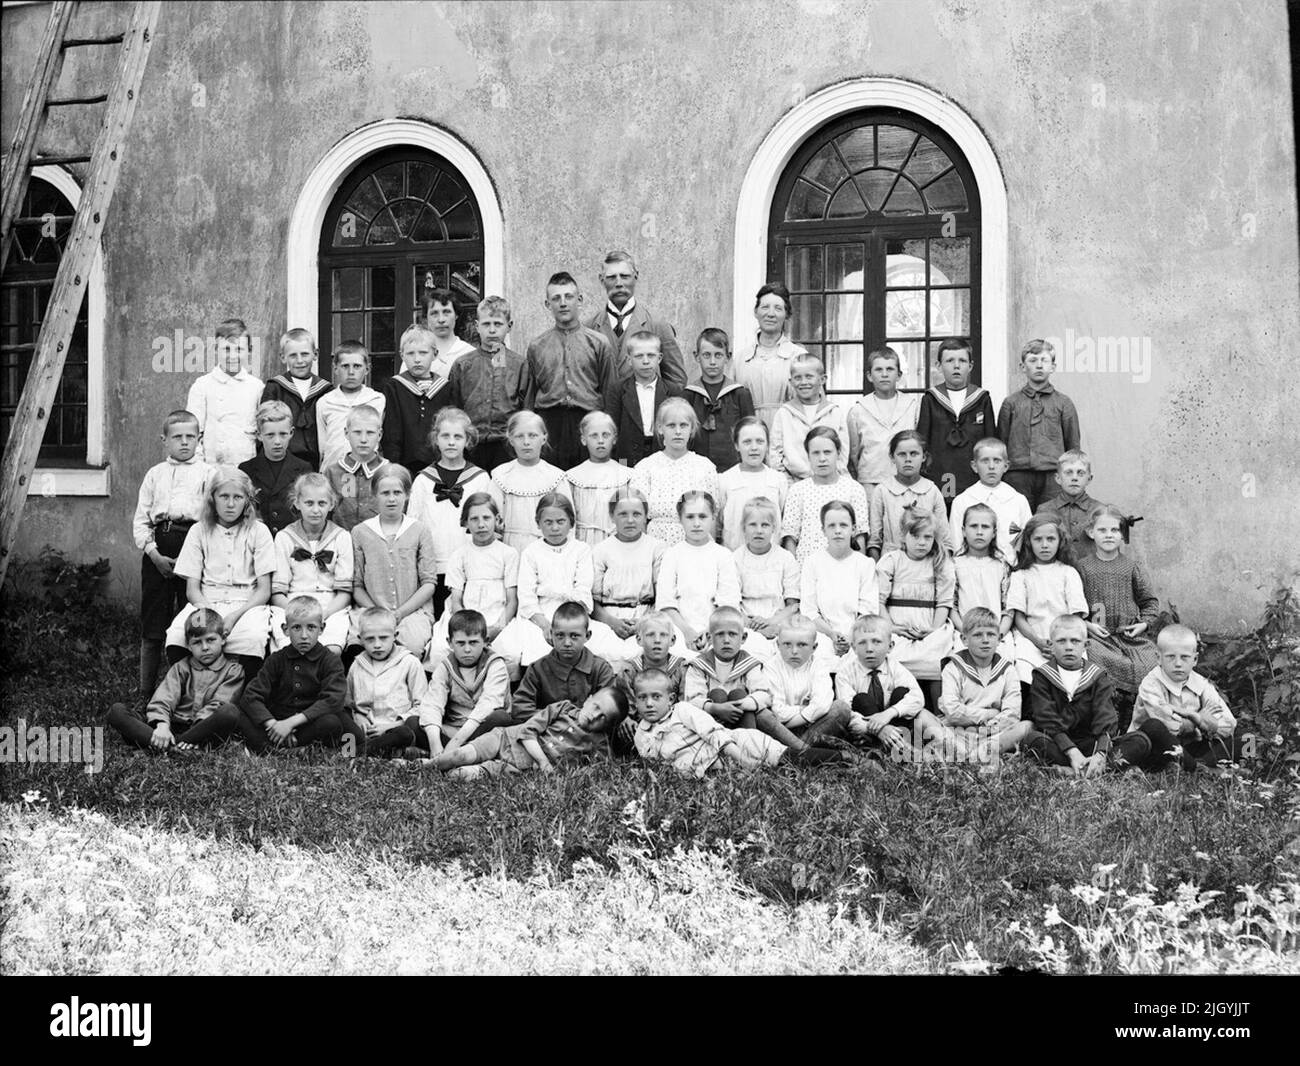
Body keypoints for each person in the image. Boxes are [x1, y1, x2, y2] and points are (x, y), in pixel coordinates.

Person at [164, 466, 276, 679]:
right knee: (178, 634)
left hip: (247, 604)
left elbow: (263, 590)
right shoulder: (199, 530)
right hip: (206, 602)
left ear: (247, 500)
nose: (231, 504)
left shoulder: (259, 531)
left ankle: (242, 698)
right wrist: (209, 614)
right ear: (212, 499)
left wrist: (235, 616)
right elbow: (192, 589)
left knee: (252, 637)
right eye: (224, 496)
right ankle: (185, 692)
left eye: (238, 497)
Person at [133, 410, 214, 697]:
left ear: (199, 439)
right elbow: (141, 521)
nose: (184, 443)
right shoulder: (155, 474)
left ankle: (183, 692)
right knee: (154, 623)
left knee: (189, 623)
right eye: (177, 437)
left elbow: (210, 519)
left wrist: (192, 558)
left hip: (193, 548)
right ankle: (145, 693)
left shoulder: (208, 474)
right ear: (164, 440)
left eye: (190, 437)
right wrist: (154, 554)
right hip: (159, 550)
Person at [631, 668, 844, 777]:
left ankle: (846, 759)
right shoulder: (642, 735)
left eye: (656, 697)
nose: (649, 703)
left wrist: (742, 760)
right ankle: (834, 767)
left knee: (790, 759)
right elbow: (659, 766)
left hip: (739, 745)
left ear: (670, 699)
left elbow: (714, 733)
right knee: (782, 775)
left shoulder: (682, 710)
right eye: (643, 698)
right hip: (712, 768)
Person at [107, 608, 248, 752]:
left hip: (203, 728)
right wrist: (162, 725)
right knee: (116, 712)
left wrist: (196, 733)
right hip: (171, 726)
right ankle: (175, 745)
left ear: (223, 639)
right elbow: (164, 697)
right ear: (188, 645)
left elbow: (219, 703)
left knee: (229, 712)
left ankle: (167, 745)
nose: (205, 647)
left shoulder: (233, 671)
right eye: (197, 642)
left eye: (211, 640)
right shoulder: (181, 667)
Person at [1021, 615, 1148, 774]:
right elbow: (1047, 720)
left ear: (1086, 645)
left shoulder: (1097, 676)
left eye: (1075, 641)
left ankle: (1081, 770)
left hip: (1092, 744)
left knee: (1141, 740)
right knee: (1033, 739)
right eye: (1061, 641)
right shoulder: (1043, 676)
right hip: (1060, 744)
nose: (1069, 647)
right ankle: (1103, 770)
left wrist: (1100, 753)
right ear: (1051, 645)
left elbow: (1106, 719)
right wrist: (1072, 752)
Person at [511, 493, 624, 666]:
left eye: (560, 521)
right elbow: (527, 597)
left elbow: (583, 589)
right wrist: (545, 626)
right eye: (548, 522)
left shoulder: (581, 550)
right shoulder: (531, 552)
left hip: (574, 614)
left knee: (601, 645)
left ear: (571, 522)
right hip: (540, 617)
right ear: (538, 524)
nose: (554, 528)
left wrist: (567, 625)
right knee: (535, 647)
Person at [525, 271, 616, 470]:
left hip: (588, 421)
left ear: (579, 299)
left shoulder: (598, 343)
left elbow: (609, 390)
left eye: (569, 296)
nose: (563, 303)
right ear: (548, 304)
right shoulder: (537, 346)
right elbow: (530, 394)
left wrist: (608, 430)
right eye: (556, 298)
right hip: (550, 423)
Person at [435, 685, 629, 779]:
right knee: (460, 755)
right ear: (588, 699)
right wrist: (544, 761)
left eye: (603, 717)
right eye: (595, 706)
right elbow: (527, 731)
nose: (594, 716)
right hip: (505, 740)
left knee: (461, 775)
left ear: (609, 726)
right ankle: (422, 765)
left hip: (521, 769)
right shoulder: (563, 708)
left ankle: (449, 772)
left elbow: (601, 771)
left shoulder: (599, 742)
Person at [237, 596, 351, 753]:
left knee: (333, 723)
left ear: (322, 629)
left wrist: (291, 723)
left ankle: (275, 750)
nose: (304, 635)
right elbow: (251, 695)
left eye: (311, 627)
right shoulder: (276, 659)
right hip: (276, 726)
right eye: (297, 628)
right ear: (285, 629)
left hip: (308, 724)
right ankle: (279, 749)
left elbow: (332, 700)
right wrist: (273, 725)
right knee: (236, 712)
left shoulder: (330, 660)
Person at [1076, 504, 1160, 716]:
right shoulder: (1083, 567)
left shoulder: (1131, 567)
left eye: (1114, 530)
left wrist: (1143, 624)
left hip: (1129, 637)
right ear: (1091, 532)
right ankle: (1109, 710)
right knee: (1094, 656)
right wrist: (1087, 626)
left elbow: (1149, 602)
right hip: (1098, 636)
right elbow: (1072, 607)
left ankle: (1137, 710)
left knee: (1150, 660)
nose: (1109, 535)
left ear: (1122, 534)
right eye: (1102, 530)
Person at [427, 492, 525, 674]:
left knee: (510, 653)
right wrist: (466, 628)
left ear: (496, 519)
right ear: (465, 522)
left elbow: (512, 600)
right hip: (465, 615)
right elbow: (456, 600)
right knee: (441, 650)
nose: (481, 525)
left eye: (486, 518)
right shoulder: (459, 555)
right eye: (474, 519)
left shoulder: (508, 554)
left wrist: (498, 627)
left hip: (498, 615)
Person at [408, 407, 491, 618]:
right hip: (433, 565)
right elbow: (412, 524)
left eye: (458, 436)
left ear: (468, 440)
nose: (451, 442)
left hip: (470, 565)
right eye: (445, 436)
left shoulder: (480, 478)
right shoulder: (424, 480)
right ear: (436, 439)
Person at [349, 463, 438, 660]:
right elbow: (357, 584)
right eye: (385, 493)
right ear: (374, 495)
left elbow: (429, 583)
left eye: (397, 492)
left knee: (411, 646)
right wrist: (378, 612)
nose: (391, 499)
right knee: (362, 644)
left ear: (406, 494)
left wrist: (399, 613)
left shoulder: (419, 530)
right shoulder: (361, 532)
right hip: (371, 608)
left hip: (412, 612)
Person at [1127, 624, 1242, 771]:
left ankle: (1200, 766)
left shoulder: (1201, 684)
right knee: (1154, 727)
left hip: (1190, 747)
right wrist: (1200, 721)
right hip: (1158, 749)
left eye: (1185, 657)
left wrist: (1195, 716)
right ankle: (1197, 769)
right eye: (1170, 657)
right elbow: (1169, 727)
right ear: (1158, 658)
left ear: (1195, 659)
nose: (1178, 664)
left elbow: (1228, 724)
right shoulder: (1151, 683)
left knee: (1247, 738)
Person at [925, 608, 1030, 763]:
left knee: (1027, 726)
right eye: (978, 635)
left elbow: (1012, 715)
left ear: (999, 638)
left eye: (991, 634)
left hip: (993, 734)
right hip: (957, 732)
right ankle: (973, 753)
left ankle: (973, 753)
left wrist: (985, 730)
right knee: (923, 716)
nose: (985, 640)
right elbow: (952, 711)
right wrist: (989, 714)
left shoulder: (1008, 669)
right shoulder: (953, 667)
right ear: (964, 639)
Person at [269, 473, 353, 654]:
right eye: (309, 503)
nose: (316, 510)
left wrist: (323, 615)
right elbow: (277, 593)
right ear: (297, 503)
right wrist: (297, 614)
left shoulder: (341, 537)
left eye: (322, 503)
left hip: (329, 606)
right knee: (288, 650)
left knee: (330, 650)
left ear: (331, 504)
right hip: (292, 604)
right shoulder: (284, 537)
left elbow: (344, 593)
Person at [444, 295, 529, 473]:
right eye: (486, 324)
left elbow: (526, 409)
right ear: (477, 326)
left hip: (507, 446)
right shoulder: (463, 365)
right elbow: (453, 407)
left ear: (509, 326)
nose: (492, 330)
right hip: (471, 446)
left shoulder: (520, 365)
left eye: (498, 324)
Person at [413, 609, 512, 758]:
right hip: (453, 729)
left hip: (481, 728)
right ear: (450, 642)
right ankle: (447, 754)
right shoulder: (445, 666)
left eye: (473, 642)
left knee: (500, 718)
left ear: (486, 641)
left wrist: (455, 743)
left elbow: (488, 704)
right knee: (414, 722)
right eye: (460, 643)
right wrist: (435, 745)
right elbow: (433, 703)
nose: (467, 649)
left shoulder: (495, 664)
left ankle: (457, 753)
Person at [877, 512, 955, 698]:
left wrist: (933, 629)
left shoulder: (939, 562)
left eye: (927, 537)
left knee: (937, 659)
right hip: (897, 628)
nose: (922, 542)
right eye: (916, 536)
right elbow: (879, 601)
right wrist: (892, 627)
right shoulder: (892, 560)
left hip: (929, 628)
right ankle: (898, 708)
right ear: (904, 535)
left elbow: (944, 602)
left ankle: (940, 713)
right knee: (891, 657)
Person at [998, 339, 1082, 511]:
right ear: (1023, 367)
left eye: (1044, 360)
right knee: (1017, 522)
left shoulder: (1064, 403)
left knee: (1051, 521)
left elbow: (1072, 444)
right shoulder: (1011, 403)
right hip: (1017, 474)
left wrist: (1071, 473)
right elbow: (1001, 441)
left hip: (1053, 475)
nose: (1039, 365)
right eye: (1033, 360)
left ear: (1053, 367)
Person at [584, 249, 687, 389]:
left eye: (625, 276)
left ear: (636, 276)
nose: (619, 283)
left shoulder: (656, 325)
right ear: (602, 280)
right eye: (611, 277)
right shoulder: (588, 328)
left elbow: (677, 381)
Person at [1006, 513, 1089, 685]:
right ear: (1029, 541)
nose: (1045, 545)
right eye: (1038, 539)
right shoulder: (1020, 575)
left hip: (1066, 636)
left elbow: (1076, 617)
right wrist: (1038, 642)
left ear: (1060, 541)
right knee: (1025, 672)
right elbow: (1019, 617)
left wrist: (1060, 641)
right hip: (1030, 638)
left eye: (1051, 539)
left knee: (1071, 678)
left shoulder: (1068, 573)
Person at [655, 490, 740, 651]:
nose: (696, 523)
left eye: (702, 516)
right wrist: (688, 633)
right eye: (690, 517)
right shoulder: (672, 555)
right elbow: (666, 603)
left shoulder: (723, 555)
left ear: (713, 518)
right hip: (679, 630)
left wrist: (709, 633)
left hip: (717, 629)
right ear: (680, 519)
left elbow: (728, 602)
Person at [628, 397, 719, 544]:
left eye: (683, 425)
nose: (678, 431)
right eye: (671, 425)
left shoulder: (705, 467)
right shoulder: (646, 467)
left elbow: (712, 517)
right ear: (660, 428)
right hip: (656, 546)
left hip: (695, 548)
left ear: (692, 428)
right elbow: (637, 516)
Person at [915, 338, 995, 505]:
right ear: (939, 366)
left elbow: (991, 440)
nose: (956, 366)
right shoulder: (931, 399)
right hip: (940, 472)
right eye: (950, 360)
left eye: (962, 361)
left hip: (973, 472)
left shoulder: (982, 398)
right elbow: (922, 439)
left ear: (971, 366)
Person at [801, 500, 879, 666]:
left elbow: (868, 610)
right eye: (831, 526)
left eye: (843, 525)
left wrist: (850, 637)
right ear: (823, 530)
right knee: (819, 655)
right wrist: (831, 634)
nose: (837, 531)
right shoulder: (812, 562)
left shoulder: (865, 564)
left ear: (854, 529)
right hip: (822, 633)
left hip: (858, 633)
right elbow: (808, 610)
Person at [511, 600, 618, 722]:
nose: (567, 643)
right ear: (551, 634)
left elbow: (609, 711)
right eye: (560, 635)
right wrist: (559, 716)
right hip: (547, 733)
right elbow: (520, 709)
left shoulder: (601, 669)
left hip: (587, 734)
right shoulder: (538, 669)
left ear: (587, 636)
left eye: (574, 636)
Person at [592, 487, 668, 657]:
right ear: (612, 516)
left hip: (647, 617)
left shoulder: (656, 548)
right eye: (623, 514)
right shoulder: (601, 550)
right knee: (603, 652)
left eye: (637, 514)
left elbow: (663, 595)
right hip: (607, 619)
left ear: (645, 516)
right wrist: (612, 622)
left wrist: (643, 622)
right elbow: (592, 601)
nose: (630, 520)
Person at [835, 615, 925, 755]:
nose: (869, 648)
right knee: (861, 699)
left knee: (902, 692)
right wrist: (881, 729)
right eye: (862, 643)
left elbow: (917, 697)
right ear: (853, 647)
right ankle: (878, 750)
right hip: (864, 732)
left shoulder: (895, 668)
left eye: (876, 642)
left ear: (890, 646)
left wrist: (888, 714)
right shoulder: (844, 674)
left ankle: (899, 746)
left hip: (897, 726)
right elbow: (849, 715)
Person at [345, 606, 427, 757]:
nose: (377, 644)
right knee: (340, 722)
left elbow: (422, 706)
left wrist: (391, 726)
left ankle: (357, 752)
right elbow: (348, 703)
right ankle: (389, 752)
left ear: (395, 635)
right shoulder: (357, 665)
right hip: (366, 729)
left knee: (405, 733)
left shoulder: (409, 663)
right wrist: (358, 717)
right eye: (370, 639)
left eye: (383, 638)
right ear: (360, 639)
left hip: (395, 728)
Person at [779, 427, 868, 564]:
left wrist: (859, 569)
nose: (822, 458)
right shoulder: (798, 490)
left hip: (844, 568)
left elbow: (859, 534)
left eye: (827, 452)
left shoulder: (854, 489)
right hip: (807, 568)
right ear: (808, 455)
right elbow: (790, 536)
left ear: (838, 453)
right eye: (815, 453)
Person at [486, 410, 571, 550]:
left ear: (543, 438)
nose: (526, 442)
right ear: (511, 439)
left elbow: (568, 523)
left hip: (548, 550)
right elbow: (492, 520)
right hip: (511, 548)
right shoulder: (501, 476)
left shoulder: (556, 477)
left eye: (532, 436)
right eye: (519, 436)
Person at [847, 346, 920, 501]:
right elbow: (853, 452)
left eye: (890, 369)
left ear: (899, 375)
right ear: (869, 376)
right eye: (878, 370)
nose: (884, 374)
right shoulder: (858, 410)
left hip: (905, 480)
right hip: (870, 482)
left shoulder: (912, 406)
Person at [733, 496, 800, 663]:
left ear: (774, 528)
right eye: (752, 525)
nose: (759, 530)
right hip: (746, 624)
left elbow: (793, 606)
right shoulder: (735, 559)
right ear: (744, 528)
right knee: (750, 651)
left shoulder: (785, 558)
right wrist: (750, 625)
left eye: (765, 525)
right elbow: (731, 604)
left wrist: (772, 623)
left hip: (779, 622)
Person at [186, 317, 262, 465]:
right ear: (215, 349)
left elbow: (262, 433)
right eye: (226, 349)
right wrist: (201, 467)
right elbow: (193, 431)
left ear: (249, 351)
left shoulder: (257, 387)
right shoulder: (202, 385)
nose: (232, 356)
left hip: (247, 467)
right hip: (212, 467)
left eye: (239, 349)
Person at [867, 429, 953, 558]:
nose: (908, 459)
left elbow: (944, 539)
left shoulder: (932, 491)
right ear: (892, 457)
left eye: (914, 454)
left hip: (926, 564)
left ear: (923, 457)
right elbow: (874, 541)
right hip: (891, 563)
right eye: (902, 454)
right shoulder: (882, 491)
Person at [764, 616, 852, 743]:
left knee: (841, 709)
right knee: (765, 717)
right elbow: (778, 712)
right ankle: (804, 751)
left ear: (814, 647)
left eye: (802, 645)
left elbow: (821, 705)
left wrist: (803, 715)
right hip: (782, 729)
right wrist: (805, 708)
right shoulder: (771, 667)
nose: (794, 651)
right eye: (787, 644)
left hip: (813, 727)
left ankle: (796, 749)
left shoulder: (819, 665)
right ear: (778, 644)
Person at [948, 437, 1033, 564]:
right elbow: (956, 541)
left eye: (997, 461)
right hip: (971, 569)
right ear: (974, 466)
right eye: (985, 461)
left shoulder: (1018, 500)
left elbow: (1027, 539)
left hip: (1011, 568)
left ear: (1006, 466)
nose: (991, 466)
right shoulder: (962, 501)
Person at [736, 283, 806, 430]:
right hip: (750, 435)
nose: (771, 314)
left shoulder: (799, 357)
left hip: (789, 432)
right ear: (756, 312)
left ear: (787, 315)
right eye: (765, 307)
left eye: (778, 308)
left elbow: (812, 404)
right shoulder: (740, 359)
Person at [381, 323, 450, 472]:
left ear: (435, 354)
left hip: (440, 465)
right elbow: (392, 433)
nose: (417, 359)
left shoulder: (446, 388)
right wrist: (394, 467)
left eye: (423, 353)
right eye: (411, 353)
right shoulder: (394, 387)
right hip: (405, 465)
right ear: (402, 355)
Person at [260, 328, 333, 469]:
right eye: (293, 355)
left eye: (305, 354)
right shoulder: (275, 387)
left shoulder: (326, 390)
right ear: (283, 357)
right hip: (282, 461)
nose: (300, 361)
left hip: (316, 463)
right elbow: (264, 425)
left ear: (315, 354)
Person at [607, 329, 681, 467]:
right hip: (627, 459)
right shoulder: (618, 390)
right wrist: (619, 461)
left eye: (651, 355)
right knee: (629, 488)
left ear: (659, 358)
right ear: (629, 360)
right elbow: (612, 428)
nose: (645, 361)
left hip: (663, 457)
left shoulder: (673, 390)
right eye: (639, 356)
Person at [771, 354, 849, 482]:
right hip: (795, 482)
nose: (803, 382)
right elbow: (775, 454)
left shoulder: (834, 412)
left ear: (822, 380)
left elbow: (843, 453)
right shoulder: (784, 413)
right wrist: (788, 482)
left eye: (809, 377)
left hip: (829, 483)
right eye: (798, 378)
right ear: (791, 382)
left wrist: (834, 481)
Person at [685, 328, 754, 470]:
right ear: (696, 356)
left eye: (718, 355)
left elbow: (749, 433)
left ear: (728, 356)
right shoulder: (688, 396)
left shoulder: (740, 394)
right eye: (706, 355)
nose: (712, 361)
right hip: (696, 469)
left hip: (733, 468)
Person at [951, 502, 1014, 658]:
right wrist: (966, 633)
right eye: (973, 526)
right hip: (963, 634)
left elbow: (1009, 609)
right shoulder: (954, 565)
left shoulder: (1002, 565)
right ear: (963, 531)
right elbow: (951, 606)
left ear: (994, 532)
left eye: (985, 527)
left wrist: (997, 634)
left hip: (998, 635)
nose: (979, 532)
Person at [239, 400, 313, 535]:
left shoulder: (304, 469)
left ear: (291, 433)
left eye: (283, 434)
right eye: (270, 435)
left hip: (292, 543)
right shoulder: (246, 469)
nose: (277, 441)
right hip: (259, 541)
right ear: (259, 435)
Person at [716, 416, 787, 551]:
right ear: (737, 445)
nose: (754, 447)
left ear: (767, 445)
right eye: (747, 442)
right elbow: (718, 523)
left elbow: (783, 522)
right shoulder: (725, 480)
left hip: (771, 561)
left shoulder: (778, 480)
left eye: (760, 441)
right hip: (734, 559)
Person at [563, 411, 632, 545]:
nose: (600, 441)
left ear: (614, 438)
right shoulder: (572, 477)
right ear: (583, 439)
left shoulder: (626, 475)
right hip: (583, 543)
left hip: (618, 542)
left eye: (605, 435)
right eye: (594, 436)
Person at [315, 340, 385, 471]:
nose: (351, 372)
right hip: (333, 470)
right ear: (335, 369)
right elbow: (322, 446)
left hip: (367, 471)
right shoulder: (325, 402)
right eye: (345, 366)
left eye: (357, 366)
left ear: (367, 369)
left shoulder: (377, 400)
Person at [1036, 449, 1109, 561]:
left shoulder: (1100, 510)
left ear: (1089, 479)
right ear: (1058, 478)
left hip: (1093, 574)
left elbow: (1109, 550)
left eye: (1081, 473)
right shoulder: (1045, 510)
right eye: (1068, 472)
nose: (1074, 478)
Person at [322, 404, 385, 531]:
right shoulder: (332, 472)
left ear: (379, 435)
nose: (363, 439)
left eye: (370, 433)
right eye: (357, 432)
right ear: (346, 433)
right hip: (340, 544)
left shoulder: (389, 472)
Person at [425, 286, 476, 380]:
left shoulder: (470, 353)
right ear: (426, 317)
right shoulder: (416, 353)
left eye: (446, 312)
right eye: (434, 313)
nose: (441, 320)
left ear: (456, 315)